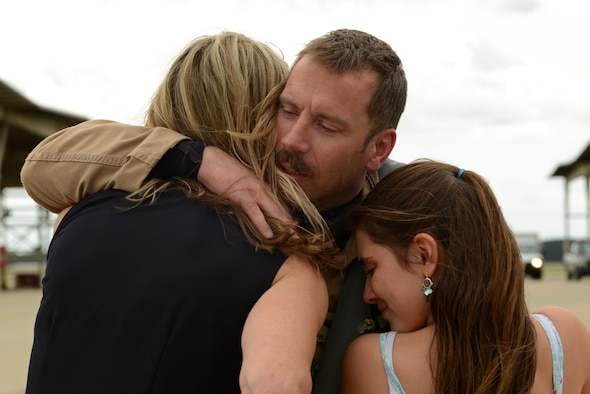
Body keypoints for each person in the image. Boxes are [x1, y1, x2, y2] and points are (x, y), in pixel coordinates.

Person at [20, 28, 408, 393]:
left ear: (378, 149)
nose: (292, 140)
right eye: (287, 111)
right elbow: (41, 166)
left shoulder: (407, 218)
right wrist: (194, 157)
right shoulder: (285, 265)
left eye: (326, 126)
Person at [341, 159, 590, 393]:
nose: (367, 294)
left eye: (371, 270)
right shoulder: (564, 338)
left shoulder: (375, 362)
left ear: (425, 255)